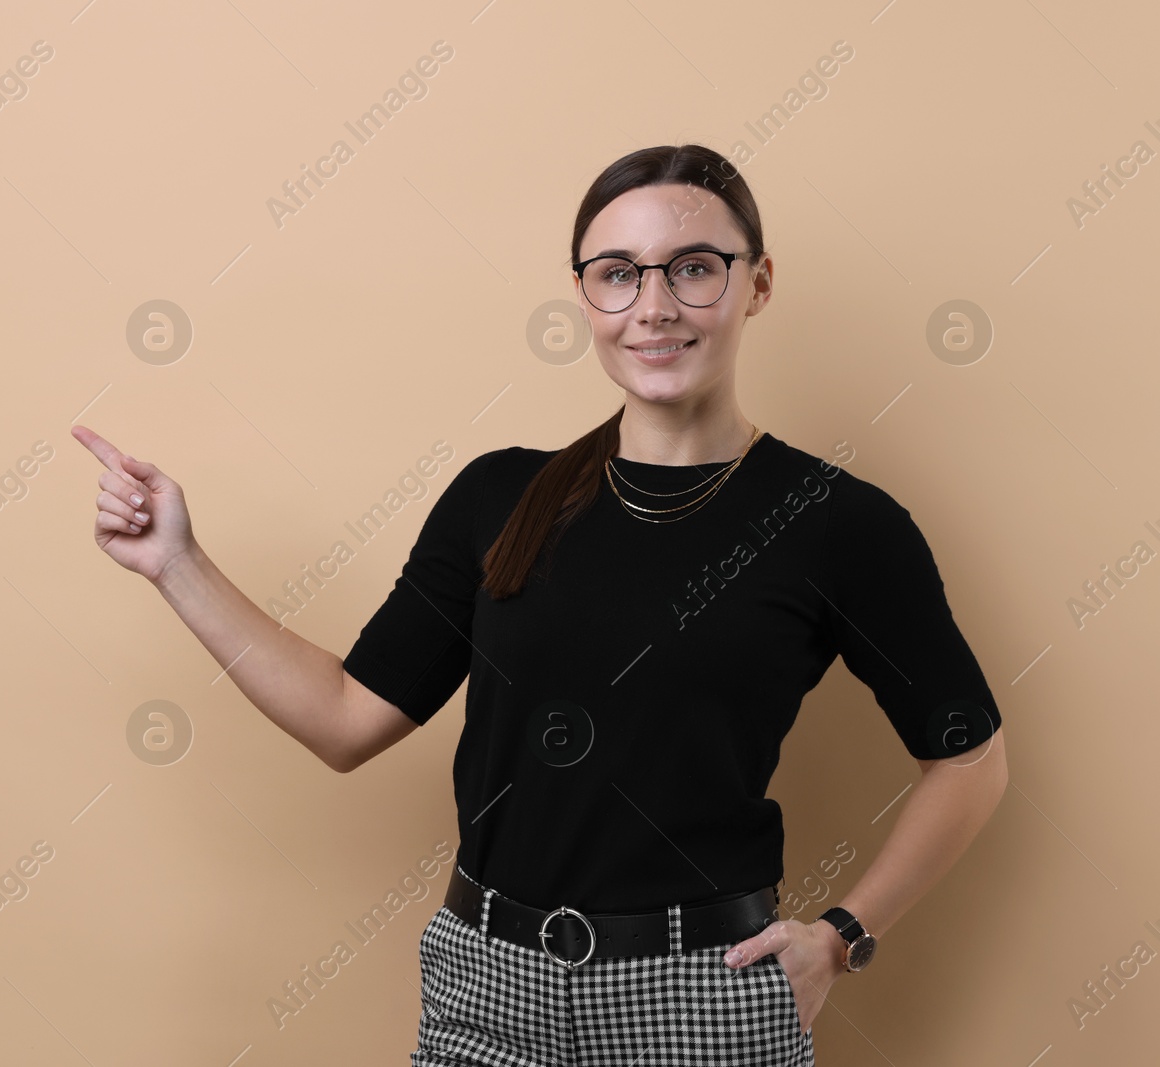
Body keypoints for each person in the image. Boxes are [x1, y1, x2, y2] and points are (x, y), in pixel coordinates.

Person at [71, 143, 1009, 1066]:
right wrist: (177, 563)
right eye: (617, 274)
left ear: (757, 284)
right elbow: (345, 718)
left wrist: (843, 936)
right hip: (486, 990)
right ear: (584, 298)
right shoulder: (501, 497)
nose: (654, 307)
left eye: (694, 269)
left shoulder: (836, 522)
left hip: (701, 1000)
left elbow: (971, 758)